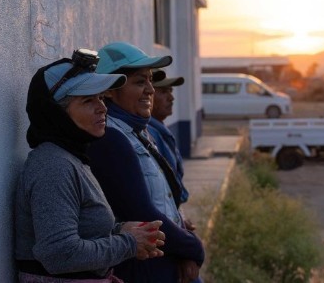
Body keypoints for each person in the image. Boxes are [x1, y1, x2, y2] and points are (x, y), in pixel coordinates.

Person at [14, 50, 166, 283]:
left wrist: (121, 231)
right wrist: (129, 243)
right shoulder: (53, 166)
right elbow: (59, 254)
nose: (102, 108)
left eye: (101, 98)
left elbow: (80, 235)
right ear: (57, 113)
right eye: (88, 100)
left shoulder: (71, 157)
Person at [87, 42, 205, 282]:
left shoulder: (137, 132)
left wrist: (180, 226)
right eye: (140, 82)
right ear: (109, 89)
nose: (150, 89)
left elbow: (161, 199)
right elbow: (141, 213)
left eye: (150, 81)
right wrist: (192, 248)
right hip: (146, 269)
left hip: (163, 257)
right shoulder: (111, 138)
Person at [148, 70, 192, 224]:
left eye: (171, 91)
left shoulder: (160, 130)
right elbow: (162, 190)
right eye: (163, 92)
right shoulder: (150, 135)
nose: (171, 97)